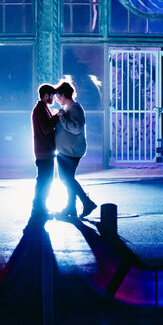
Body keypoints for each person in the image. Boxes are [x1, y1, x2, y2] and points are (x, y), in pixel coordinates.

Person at [54, 80, 96, 220]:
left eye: (58, 96)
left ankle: (86, 202)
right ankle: (70, 208)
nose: (57, 99)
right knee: (68, 179)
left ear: (64, 94)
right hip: (67, 150)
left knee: (67, 179)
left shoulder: (75, 108)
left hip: (70, 152)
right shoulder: (69, 108)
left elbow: (76, 128)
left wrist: (62, 118)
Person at [30, 83, 59, 218]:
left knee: (44, 179)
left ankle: (39, 206)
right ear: (46, 95)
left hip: (44, 151)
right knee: (45, 180)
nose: (53, 98)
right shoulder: (41, 109)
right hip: (44, 151)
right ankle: (39, 206)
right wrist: (57, 117)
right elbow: (46, 128)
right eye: (52, 95)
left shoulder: (42, 108)